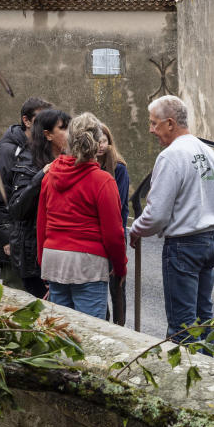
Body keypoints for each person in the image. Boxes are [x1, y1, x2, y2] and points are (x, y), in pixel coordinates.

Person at [129, 95, 214, 345]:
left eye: (153, 123)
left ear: (170, 123)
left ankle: (187, 377)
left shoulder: (171, 156)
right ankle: (209, 372)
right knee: (204, 316)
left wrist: (135, 229)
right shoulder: (208, 153)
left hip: (184, 244)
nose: (151, 130)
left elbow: (157, 214)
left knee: (182, 324)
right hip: (211, 239)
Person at [37, 113, 127, 319]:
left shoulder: (50, 175)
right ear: (96, 144)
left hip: (54, 258)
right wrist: (120, 267)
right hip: (87, 263)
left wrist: (44, 263)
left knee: (62, 330)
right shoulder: (102, 181)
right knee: (89, 330)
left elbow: (41, 224)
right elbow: (114, 233)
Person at [0, 97, 52, 290]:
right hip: (13, 244)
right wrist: (6, 238)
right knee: (19, 301)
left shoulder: (44, 149)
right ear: (26, 121)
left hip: (35, 243)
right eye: (40, 118)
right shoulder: (7, 151)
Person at [9, 108, 70, 298]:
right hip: (35, 258)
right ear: (48, 135)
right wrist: (40, 177)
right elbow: (17, 208)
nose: (69, 133)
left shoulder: (68, 160)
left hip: (61, 253)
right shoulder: (28, 162)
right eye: (63, 128)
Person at [96, 120, 130, 324]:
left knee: (117, 286)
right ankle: (103, 321)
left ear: (109, 142)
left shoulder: (119, 169)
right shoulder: (86, 165)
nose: (101, 145)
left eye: (104, 140)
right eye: (97, 141)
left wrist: (120, 236)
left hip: (114, 231)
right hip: (94, 236)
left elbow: (122, 207)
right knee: (98, 284)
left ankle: (120, 325)